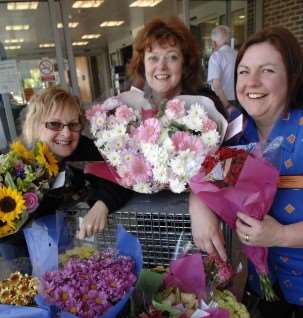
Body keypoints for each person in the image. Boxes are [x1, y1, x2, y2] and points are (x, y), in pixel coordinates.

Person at [190, 27, 303, 318]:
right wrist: (199, 205)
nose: (251, 81)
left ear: (293, 77)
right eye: (243, 71)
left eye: (267, 70)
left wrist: (281, 235)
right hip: (262, 286)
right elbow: (206, 177)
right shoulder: (235, 129)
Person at [0, 86, 132, 258]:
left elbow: (121, 176)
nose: (67, 133)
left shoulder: (84, 149)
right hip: (19, 246)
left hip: (66, 240)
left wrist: (102, 204)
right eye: (54, 124)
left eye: (73, 124)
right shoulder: (15, 165)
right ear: (34, 124)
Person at [127, 16, 226, 116]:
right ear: (142, 64)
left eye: (172, 57)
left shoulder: (207, 105)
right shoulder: (129, 110)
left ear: (185, 63)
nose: (161, 66)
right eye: (153, 58)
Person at [207, 25, 237, 110]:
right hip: (239, 100)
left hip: (223, 101)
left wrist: (227, 106)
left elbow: (216, 85)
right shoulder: (238, 54)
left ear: (214, 42)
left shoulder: (216, 56)